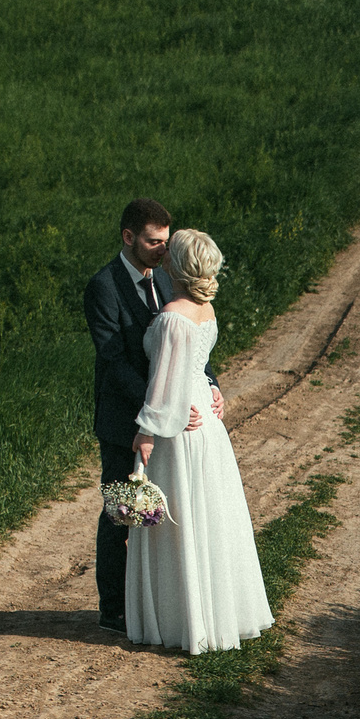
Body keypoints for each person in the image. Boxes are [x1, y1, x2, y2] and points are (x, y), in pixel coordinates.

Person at [125, 229, 274, 654]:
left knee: (179, 520)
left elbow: (164, 381)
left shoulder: (173, 315)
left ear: (177, 265)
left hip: (180, 425)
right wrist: (211, 389)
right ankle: (209, 613)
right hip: (204, 421)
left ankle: (183, 621)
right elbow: (197, 366)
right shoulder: (205, 309)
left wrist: (147, 432)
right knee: (205, 514)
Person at [83, 198, 221, 635]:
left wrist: (211, 385)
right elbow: (112, 359)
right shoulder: (103, 287)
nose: (162, 249)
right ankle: (114, 608)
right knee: (121, 510)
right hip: (126, 417)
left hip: (169, 418)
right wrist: (162, 403)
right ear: (128, 238)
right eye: (153, 241)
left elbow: (188, 344)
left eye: (166, 241)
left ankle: (155, 604)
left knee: (170, 513)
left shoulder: (169, 275)